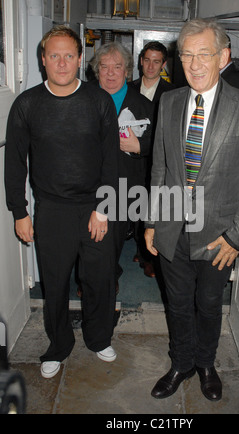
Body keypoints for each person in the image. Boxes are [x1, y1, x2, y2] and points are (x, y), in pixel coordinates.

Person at [145, 18, 239, 401]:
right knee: (177, 302)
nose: (195, 65)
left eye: (204, 55)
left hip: (218, 235)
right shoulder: (168, 101)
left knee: (210, 304)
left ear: (223, 57)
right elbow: (160, 167)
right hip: (171, 227)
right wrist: (151, 221)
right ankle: (181, 362)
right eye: (187, 56)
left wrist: (236, 236)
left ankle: (206, 363)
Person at [4, 26, 120, 379]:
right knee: (54, 284)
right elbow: (15, 162)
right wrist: (20, 212)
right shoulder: (26, 104)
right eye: (54, 55)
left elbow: (111, 160)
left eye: (69, 55)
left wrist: (103, 208)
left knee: (100, 280)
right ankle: (58, 346)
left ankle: (99, 338)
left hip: (94, 207)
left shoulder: (98, 101)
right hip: (51, 210)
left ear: (80, 59)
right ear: (43, 60)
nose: (62, 62)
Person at [90, 42, 154, 286]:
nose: (110, 73)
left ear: (127, 71)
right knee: (87, 240)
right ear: (97, 72)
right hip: (86, 184)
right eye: (104, 67)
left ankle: (108, 278)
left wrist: (139, 147)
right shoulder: (83, 98)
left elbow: (160, 144)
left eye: (117, 67)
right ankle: (92, 280)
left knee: (111, 239)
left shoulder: (144, 105)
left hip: (122, 187)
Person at [129, 41, 176, 278]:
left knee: (153, 208)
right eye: (147, 60)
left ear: (163, 65)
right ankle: (140, 248)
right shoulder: (128, 88)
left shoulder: (172, 93)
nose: (150, 65)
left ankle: (150, 258)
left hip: (157, 161)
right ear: (140, 60)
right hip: (129, 159)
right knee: (134, 209)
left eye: (156, 61)